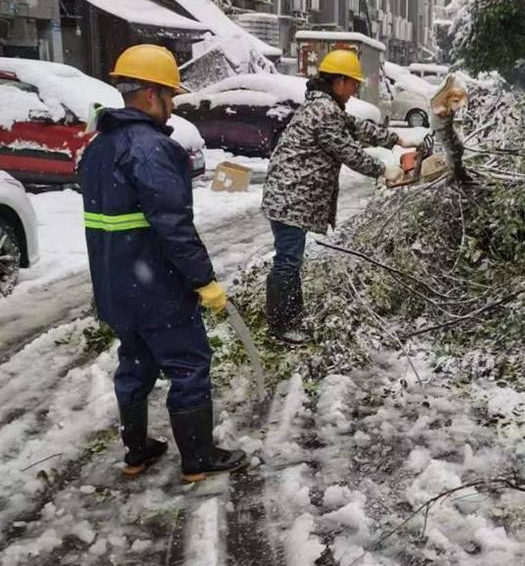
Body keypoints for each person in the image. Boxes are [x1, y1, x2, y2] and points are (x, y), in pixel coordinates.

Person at [78, 44, 246, 482]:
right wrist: (204, 280)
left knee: (135, 363)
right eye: (170, 96)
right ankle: (198, 459)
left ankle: (136, 451)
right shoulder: (151, 149)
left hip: (116, 290)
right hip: (158, 291)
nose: (172, 106)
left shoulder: (97, 148)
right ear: (151, 95)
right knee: (189, 365)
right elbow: (173, 225)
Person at [261, 49, 413, 344]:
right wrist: (385, 170)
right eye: (353, 83)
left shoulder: (324, 107)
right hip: (290, 198)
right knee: (288, 262)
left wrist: (396, 139)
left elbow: (355, 127)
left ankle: (290, 316)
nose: (355, 89)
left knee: (290, 259)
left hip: (289, 196)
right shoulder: (324, 112)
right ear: (339, 81)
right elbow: (349, 152)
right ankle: (282, 324)